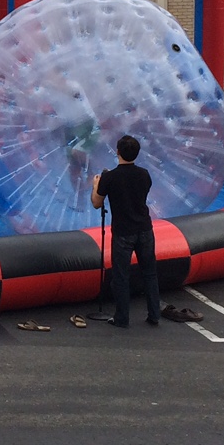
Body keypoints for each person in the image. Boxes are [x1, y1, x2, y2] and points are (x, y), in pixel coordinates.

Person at [91, 134, 159, 328]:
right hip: (145, 228)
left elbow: (97, 203)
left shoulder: (110, 177)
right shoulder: (144, 174)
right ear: (137, 154)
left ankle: (122, 318)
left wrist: (96, 185)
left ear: (117, 152)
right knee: (150, 273)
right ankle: (154, 314)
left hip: (123, 232)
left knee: (121, 276)